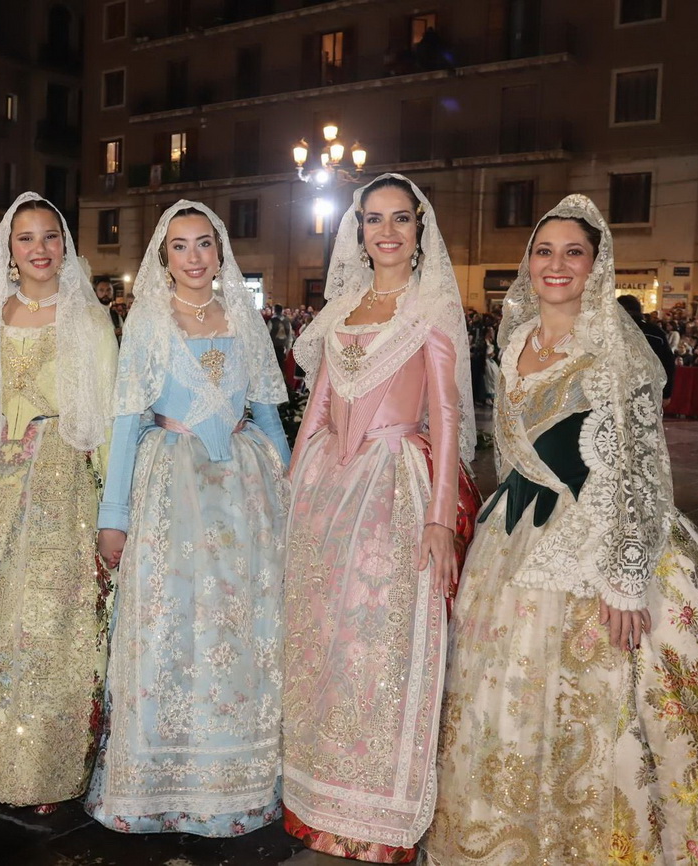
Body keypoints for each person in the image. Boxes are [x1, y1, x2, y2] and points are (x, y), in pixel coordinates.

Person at [427, 196, 698, 865]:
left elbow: (642, 470)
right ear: (528, 263)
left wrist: (625, 579)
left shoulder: (615, 350)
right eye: (544, 251)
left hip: (598, 543)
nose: (555, 265)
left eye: (573, 253)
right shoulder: (514, 341)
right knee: (501, 697)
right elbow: (513, 455)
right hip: (511, 540)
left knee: (592, 707)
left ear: (597, 266)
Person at [282, 174, 479, 862]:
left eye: (401, 219)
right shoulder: (341, 309)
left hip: (395, 486)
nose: (387, 231)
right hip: (327, 489)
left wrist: (439, 517)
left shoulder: (431, 309)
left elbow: (446, 416)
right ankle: (318, 793)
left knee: (381, 639)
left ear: (420, 229)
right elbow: (318, 407)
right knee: (324, 636)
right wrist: (293, 487)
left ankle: (375, 807)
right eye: (374, 219)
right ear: (358, 230)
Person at [86, 200, 290, 836]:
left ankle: (235, 782)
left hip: (244, 491)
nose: (194, 257)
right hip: (171, 488)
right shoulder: (147, 323)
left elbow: (267, 413)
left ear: (221, 252)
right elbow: (126, 422)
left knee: (240, 627)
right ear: (163, 256)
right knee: (171, 624)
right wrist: (113, 515)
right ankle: (161, 783)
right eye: (180, 245)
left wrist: (294, 488)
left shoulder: (246, 319)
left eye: (204, 243)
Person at [0, 192, 117, 812]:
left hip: (61, 479)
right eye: (26, 237)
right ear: (8, 249)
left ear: (66, 246)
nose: (40, 249)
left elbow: (109, 418)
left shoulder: (89, 321)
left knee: (48, 617)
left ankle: (41, 767)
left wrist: (116, 510)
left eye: (51, 236)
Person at [617, 293, 675, 399]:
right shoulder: (656, 332)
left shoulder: (613, 332)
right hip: (648, 390)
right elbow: (668, 364)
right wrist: (666, 394)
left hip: (618, 389)